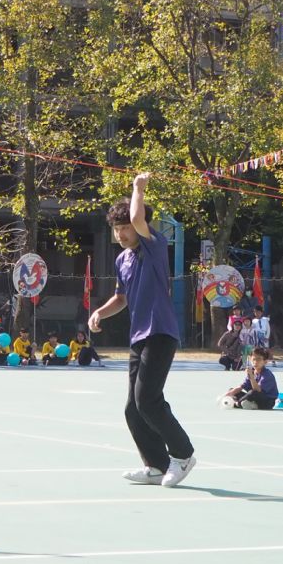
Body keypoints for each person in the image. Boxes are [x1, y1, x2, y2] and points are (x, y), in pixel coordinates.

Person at [89, 172, 196, 488]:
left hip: (160, 333)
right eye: (116, 228)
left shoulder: (154, 245)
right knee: (132, 409)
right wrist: (100, 312)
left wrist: (138, 188)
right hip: (138, 337)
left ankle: (183, 454)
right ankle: (156, 465)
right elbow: (121, 299)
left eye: (125, 227)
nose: (121, 233)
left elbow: (138, 217)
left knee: (147, 399)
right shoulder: (122, 260)